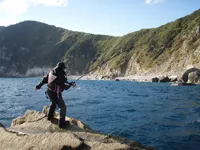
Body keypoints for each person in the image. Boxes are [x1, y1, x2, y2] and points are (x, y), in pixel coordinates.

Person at [35, 62, 75, 128]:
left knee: (53, 103)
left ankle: (49, 117)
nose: (64, 70)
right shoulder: (61, 75)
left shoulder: (52, 72)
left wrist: (38, 86)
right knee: (63, 107)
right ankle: (62, 124)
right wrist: (71, 84)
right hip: (56, 94)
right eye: (63, 68)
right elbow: (65, 86)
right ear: (62, 68)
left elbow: (44, 79)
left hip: (48, 92)